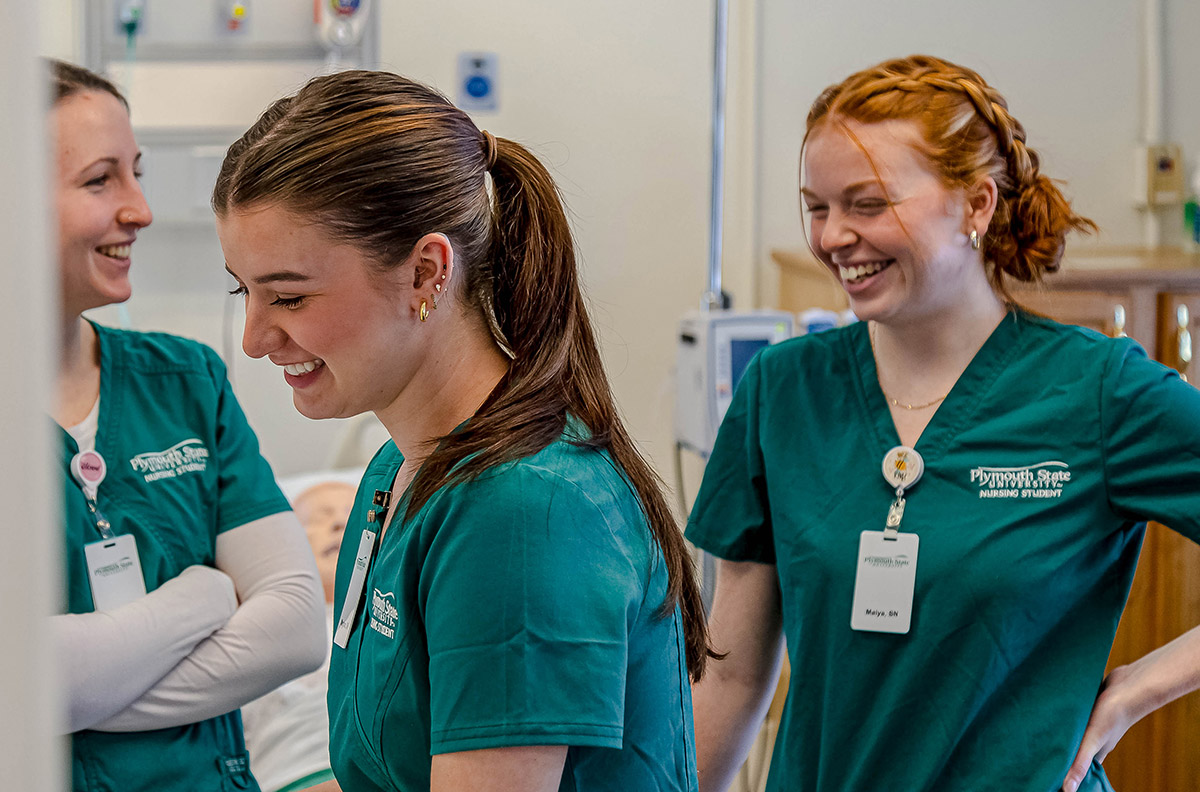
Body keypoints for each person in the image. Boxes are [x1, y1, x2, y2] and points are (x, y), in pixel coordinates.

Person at [686, 54, 1200, 792]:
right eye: (818, 207)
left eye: (867, 204)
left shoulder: (1097, 393)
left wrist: (1135, 692)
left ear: (976, 205)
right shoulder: (783, 390)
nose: (833, 237)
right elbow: (731, 679)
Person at [212, 69, 712, 792]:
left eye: (288, 295)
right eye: (243, 291)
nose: (257, 338)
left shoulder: (525, 512)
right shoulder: (396, 472)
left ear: (425, 273)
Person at [49, 60, 327, 792]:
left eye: (135, 173)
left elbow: (296, 624)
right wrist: (201, 598)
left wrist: (79, 690)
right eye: (100, 179)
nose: (140, 208)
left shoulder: (184, 381)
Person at [243, 479, 357, 792]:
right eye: (317, 519)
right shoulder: (257, 628)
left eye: (355, 512)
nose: (338, 523)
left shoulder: (411, 615)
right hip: (292, 778)